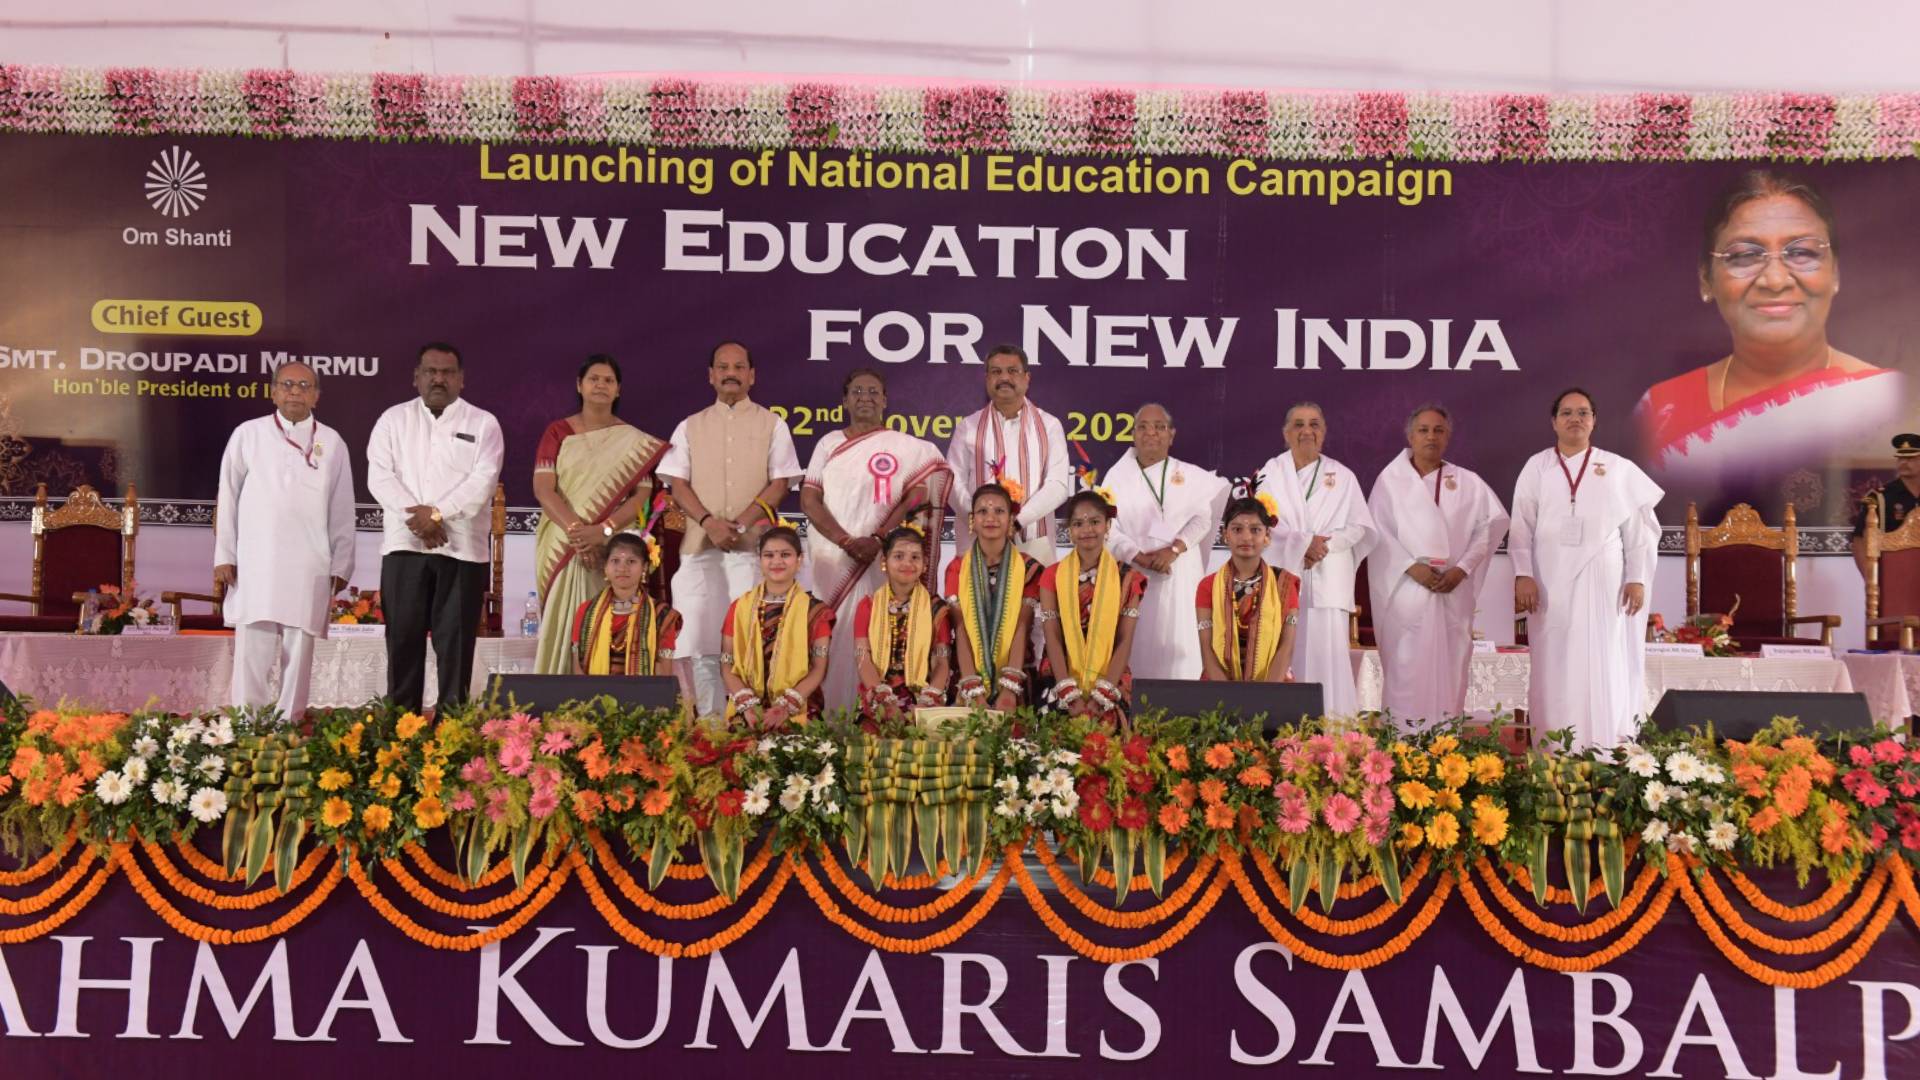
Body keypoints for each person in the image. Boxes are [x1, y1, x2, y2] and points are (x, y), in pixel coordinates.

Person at [1636, 170, 1902, 479]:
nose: (1775, 280)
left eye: (1802, 252)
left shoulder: (1889, 397)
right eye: (1745, 256)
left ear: (1835, 274)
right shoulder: (1661, 412)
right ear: (1706, 279)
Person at [1512, 389, 1663, 749]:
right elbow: (1521, 525)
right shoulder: (1537, 466)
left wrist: (1636, 578)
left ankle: (1606, 746)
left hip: (1604, 579)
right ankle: (1554, 749)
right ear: (1554, 422)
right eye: (1566, 412)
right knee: (1554, 660)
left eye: (1583, 412)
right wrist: (1523, 574)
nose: (1575, 419)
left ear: (1594, 421)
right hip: (1548, 580)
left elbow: (1638, 531)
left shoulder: (1618, 468)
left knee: (1604, 656)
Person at [659, 342, 803, 717]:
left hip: (751, 553)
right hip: (699, 550)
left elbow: (781, 482)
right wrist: (710, 523)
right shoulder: (689, 426)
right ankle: (709, 727)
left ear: (752, 375)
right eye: (723, 367)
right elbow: (677, 483)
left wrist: (739, 524)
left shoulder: (772, 424)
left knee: (748, 641)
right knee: (699, 641)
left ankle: (748, 723)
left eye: (739, 367)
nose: (731, 374)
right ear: (711, 376)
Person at [799, 368, 951, 710]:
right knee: (832, 631)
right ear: (844, 400)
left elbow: (919, 493)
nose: (864, 398)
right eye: (856, 391)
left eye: (872, 391)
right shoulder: (828, 443)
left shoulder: (906, 447)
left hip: (882, 560)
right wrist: (846, 542)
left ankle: (878, 712)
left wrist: (880, 538)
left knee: (880, 633)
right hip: (834, 559)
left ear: (884, 399)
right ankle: (832, 718)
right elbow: (809, 500)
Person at [366, 342, 506, 714]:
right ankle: (402, 730)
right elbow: (379, 477)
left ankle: (451, 732)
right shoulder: (393, 420)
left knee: (456, 647)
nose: (438, 379)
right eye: (430, 371)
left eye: (447, 372)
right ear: (416, 377)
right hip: (404, 548)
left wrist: (438, 515)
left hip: (462, 552)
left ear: (461, 379)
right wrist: (420, 520)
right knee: (403, 643)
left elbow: (483, 481)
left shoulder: (483, 423)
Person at [214, 361, 356, 723]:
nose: (295, 392)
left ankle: (287, 726)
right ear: (273, 391)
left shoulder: (332, 442)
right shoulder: (248, 434)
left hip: (310, 562)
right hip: (256, 560)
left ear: (317, 396)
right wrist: (225, 554)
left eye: (304, 386)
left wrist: (342, 563)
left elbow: (342, 507)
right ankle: (247, 726)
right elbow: (227, 497)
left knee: (300, 648)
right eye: (288, 384)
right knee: (253, 648)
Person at [1365, 405, 1511, 728]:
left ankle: (1445, 747)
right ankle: (1402, 746)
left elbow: (1490, 527)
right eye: (1423, 430)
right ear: (1410, 436)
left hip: (1452, 589)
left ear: (1448, 437)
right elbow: (1379, 533)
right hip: (1406, 591)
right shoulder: (1390, 481)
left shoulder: (1468, 482)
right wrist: (1411, 567)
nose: (1431, 436)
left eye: (1438, 430)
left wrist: (1463, 569)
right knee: (1405, 668)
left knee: (1451, 667)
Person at [532, 355, 670, 674]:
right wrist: (578, 533)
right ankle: (556, 691)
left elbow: (641, 496)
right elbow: (543, 489)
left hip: (610, 547)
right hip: (562, 542)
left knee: (607, 621)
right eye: (594, 379)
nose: (601, 385)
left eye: (608, 380)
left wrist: (603, 531)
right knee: (563, 621)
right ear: (579, 385)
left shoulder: (633, 441)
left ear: (618, 389)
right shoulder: (558, 432)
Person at [1255, 402, 1376, 716]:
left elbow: (1360, 527)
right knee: (1282, 653)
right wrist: (1301, 545)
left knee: (1328, 657)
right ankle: (1283, 728)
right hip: (1283, 576)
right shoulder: (1270, 473)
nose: (1306, 431)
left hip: (1328, 577)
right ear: (1286, 433)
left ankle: (1334, 729)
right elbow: (1259, 522)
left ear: (1323, 432)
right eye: (1298, 424)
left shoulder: (1343, 476)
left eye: (1314, 424)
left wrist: (1323, 546)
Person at [1103, 403, 1230, 679]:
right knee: (1137, 648)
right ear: (1133, 434)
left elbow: (1203, 520)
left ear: (1171, 435)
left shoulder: (1191, 476)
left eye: (1159, 427)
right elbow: (1108, 529)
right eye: (1143, 427)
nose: (1151, 433)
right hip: (1135, 575)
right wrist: (1139, 556)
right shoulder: (1116, 477)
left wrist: (1173, 549)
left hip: (1181, 572)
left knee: (1183, 648)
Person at [945, 345, 1071, 564]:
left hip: (1034, 544)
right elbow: (952, 483)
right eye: (996, 371)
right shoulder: (968, 427)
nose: (1004, 378)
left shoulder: (1049, 425)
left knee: (1034, 589)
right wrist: (983, 520)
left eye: (1012, 371)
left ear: (1027, 378)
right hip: (978, 544)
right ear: (987, 379)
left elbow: (1058, 485)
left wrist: (1018, 521)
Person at [1038, 490, 1148, 720]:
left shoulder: (1128, 578)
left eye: (1095, 522)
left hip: (1111, 674)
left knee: (1110, 733)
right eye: (1078, 523)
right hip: (1059, 671)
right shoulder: (1052, 575)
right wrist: (1066, 690)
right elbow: (1052, 636)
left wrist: (1104, 692)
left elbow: (1125, 640)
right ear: (1070, 531)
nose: (1087, 529)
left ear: (1108, 525)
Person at [721, 526, 833, 730]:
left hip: (799, 705)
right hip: (746, 706)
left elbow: (819, 667)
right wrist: (746, 703)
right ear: (760, 560)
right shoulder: (739, 608)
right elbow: (726, 662)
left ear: (799, 560)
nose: (777, 561)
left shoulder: (816, 612)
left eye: (785, 555)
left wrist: (786, 706)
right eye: (769, 555)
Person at [945, 484, 1043, 711]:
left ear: (1011, 520)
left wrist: (1009, 687)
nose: (991, 518)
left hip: (1016, 674)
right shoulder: (957, 568)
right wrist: (972, 686)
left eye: (999, 511)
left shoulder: (1029, 567)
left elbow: (1022, 626)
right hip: (967, 675)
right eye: (982, 511)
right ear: (972, 520)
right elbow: (960, 628)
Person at [853, 525, 954, 723]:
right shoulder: (868, 606)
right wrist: (882, 698)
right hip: (878, 694)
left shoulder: (936, 609)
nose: (907, 563)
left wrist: (929, 698)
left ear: (925, 564)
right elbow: (862, 657)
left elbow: (942, 660)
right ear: (884, 562)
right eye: (899, 556)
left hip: (923, 696)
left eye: (915, 557)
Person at [1197, 496, 1300, 683]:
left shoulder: (1284, 584)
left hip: (1274, 685)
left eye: (1255, 530)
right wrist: (1226, 696)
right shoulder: (1208, 586)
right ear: (1225, 534)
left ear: (1267, 536)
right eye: (1237, 529)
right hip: (1218, 687)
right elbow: (1206, 648)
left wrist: (1264, 695)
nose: (1246, 537)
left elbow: (1286, 647)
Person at [569, 533, 680, 676]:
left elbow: (664, 673)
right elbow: (578, 668)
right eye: (615, 561)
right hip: (593, 690)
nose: (622, 568)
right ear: (605, 566)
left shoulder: (662, 615)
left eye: (631, 561)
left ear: (645, 567)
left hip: (645, 690)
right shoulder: (586, 611)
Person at [1852, 433, 1920, 579]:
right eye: (1901, 458)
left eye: (1911, 458)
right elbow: (1859, 540)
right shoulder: (1879, 498)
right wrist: (1871, 579)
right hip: (1894, 577)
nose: (1904, 462)